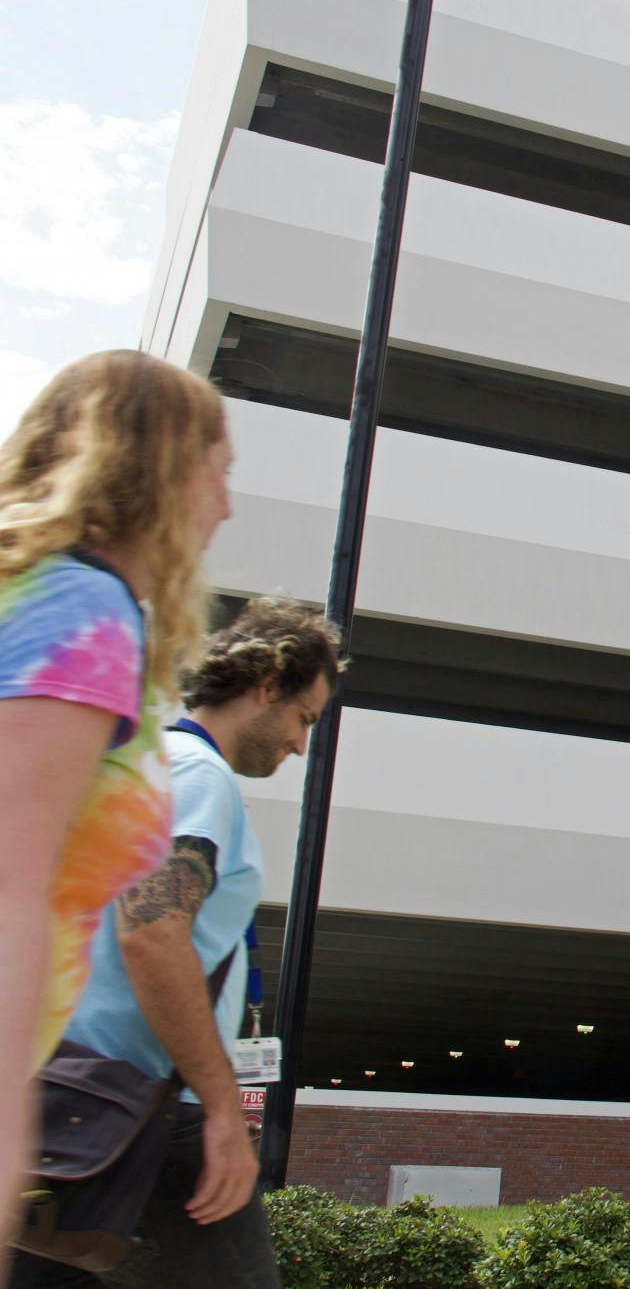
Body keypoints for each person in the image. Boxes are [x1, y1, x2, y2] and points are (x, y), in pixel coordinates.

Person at [14, 599, 341, 1289]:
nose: (299, 745)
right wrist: (224, 1108)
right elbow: (153, 931)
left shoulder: (131, 766)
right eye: (302, 718)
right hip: (152, 1115)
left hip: (65, 1101)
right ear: (265, 683)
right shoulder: (199, 776)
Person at [1, 353, 229, 1272]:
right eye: (220, 469)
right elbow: (10, 887)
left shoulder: (50, 594)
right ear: (165, 470)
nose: (226, 504)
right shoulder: (83, 606)